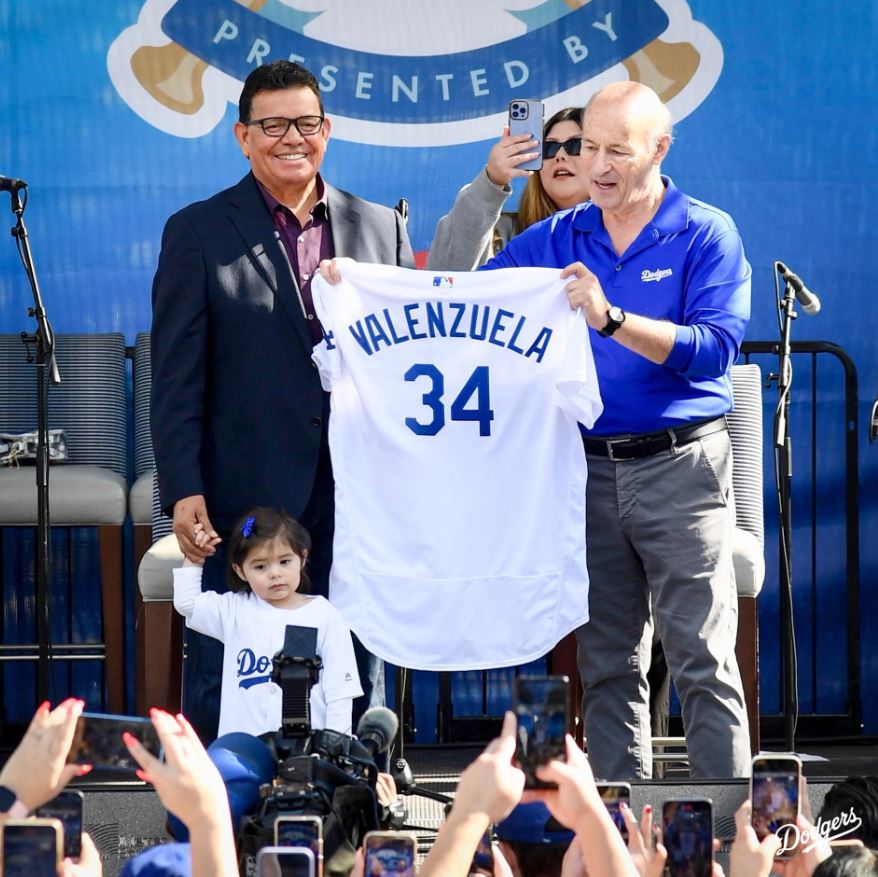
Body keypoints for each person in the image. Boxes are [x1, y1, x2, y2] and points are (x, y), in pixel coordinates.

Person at [482, 80, 751, 779]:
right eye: (586, 147)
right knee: (606, 663)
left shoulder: (706, 232)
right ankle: (616, 833)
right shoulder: (558, 235)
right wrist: (351, 279)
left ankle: (726, 834)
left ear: (659, 148)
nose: (596, 165)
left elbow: (714, 349)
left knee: (702, 658)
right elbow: (464, 290)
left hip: (681, 468)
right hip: (587, 469)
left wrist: (611, 319)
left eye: (615, 150)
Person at [150, 59, 415, 743]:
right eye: (272, 125)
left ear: (327, 129)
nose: (291, 137)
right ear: (243, 136)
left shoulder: (379, 227)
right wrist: (183, 488)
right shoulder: (199, 230)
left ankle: (355, 801)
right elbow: (177, 375)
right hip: (247, 490)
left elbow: (407, 363)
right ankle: (226, 818)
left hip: (358, 494)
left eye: (305, 122)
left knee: (353, 663)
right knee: (232, 674)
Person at [173, 507, 362, 738]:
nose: (275, 573)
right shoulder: (234, 610)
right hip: (243, 750)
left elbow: (340, 693)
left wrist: (335, 746)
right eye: (260, 566)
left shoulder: (325, 615)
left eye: (284, 561)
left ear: (302, 558)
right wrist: (195, 557)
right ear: (240, 571)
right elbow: (187, 604)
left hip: (306, 751)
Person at [427, 107, 587, 271]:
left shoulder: (613, 238)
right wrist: (492, 180)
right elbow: (445, 276)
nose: (560, 155)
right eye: (549, 148)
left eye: (576, 145)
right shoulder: (501, 234)